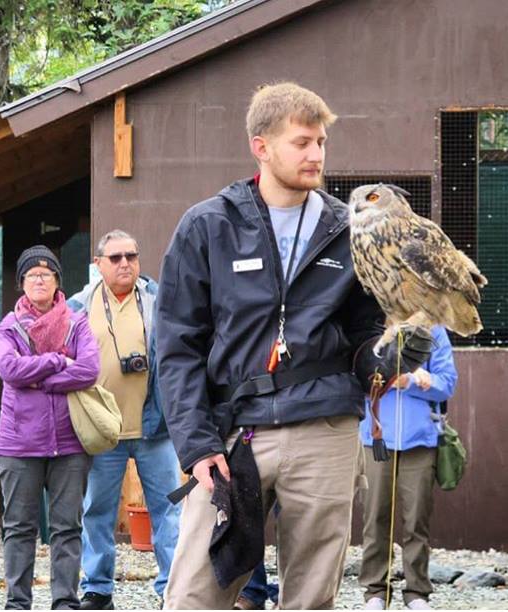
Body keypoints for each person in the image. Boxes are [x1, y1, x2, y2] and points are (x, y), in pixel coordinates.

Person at [156, 82, 432, 609]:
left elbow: (362, 335)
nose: (316, 155)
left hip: (324, 428)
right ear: (261, 146)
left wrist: (391, 355)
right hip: (234, 434)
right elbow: (176, 346)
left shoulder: (346, 228)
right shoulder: (209, 225)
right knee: (195, 594)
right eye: (302, 142)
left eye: (321, 142)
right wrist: (196, 445)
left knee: (311, 598)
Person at [68, 230, 181, 609]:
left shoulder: (159, 298)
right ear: (98, 264)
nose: (124, 264)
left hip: (155, 426)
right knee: (96, 512)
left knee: (169, 510)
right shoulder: (78, 306)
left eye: (131, 256)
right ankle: (97, 589)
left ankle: (173, 589)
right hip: (103, 432)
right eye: (115, 258)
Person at [0, 245, 100, 610]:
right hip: (18, 444)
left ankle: (65, 602)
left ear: (57, 281)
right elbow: (9, 370)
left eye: (46, 273)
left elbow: (87, 370)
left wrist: (39, 377)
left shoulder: (78, 322)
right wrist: (57, 361)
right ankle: (17, 602)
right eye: (31, 274)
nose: (39, 279)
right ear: (22, 283)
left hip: (69, 442)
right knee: (20, 527)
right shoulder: (7, 327)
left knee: (67, 527)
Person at [359, 325, 457, 611]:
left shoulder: (433, 330)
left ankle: (417, 592)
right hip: (376, 437)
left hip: (420, 440)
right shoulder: (372, 324)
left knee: (417, 519)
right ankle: (375, 592)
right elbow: (357, 375)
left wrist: (413, 382)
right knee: (374, 515)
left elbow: (447, 382)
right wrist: (387, 379)